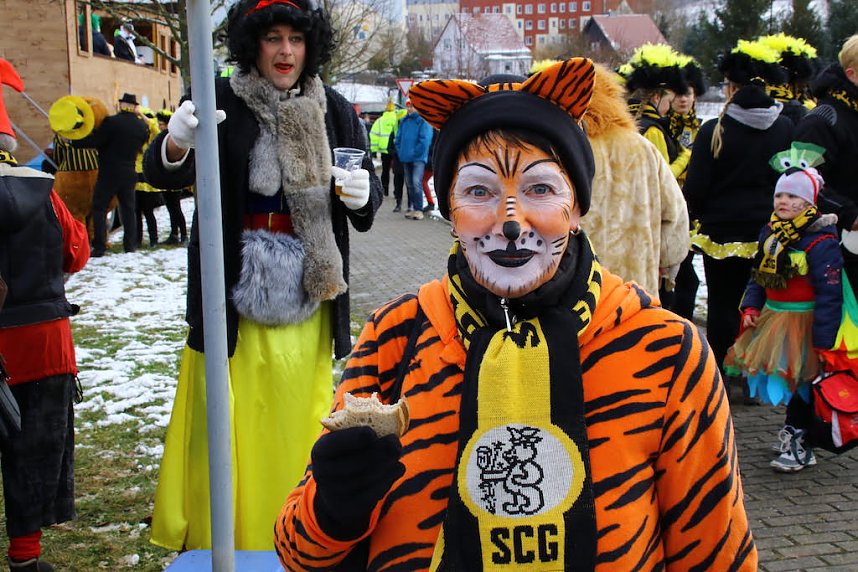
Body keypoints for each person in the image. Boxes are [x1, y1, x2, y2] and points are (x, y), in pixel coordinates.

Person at [275, 58, 756, 571]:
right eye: (479, 191)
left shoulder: (662, 349)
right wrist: (334, 509)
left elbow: (715, 553)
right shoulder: (398, 334)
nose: (510, 221)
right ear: (451, 211)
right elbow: (299, 553)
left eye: (540, 189)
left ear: (576, 209)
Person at [143, 0, 382, 551]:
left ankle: (299, 529)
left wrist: (363, 195)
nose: (285, 52)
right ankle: (228, 534)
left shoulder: (336, 109)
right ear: (253, 43)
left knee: (298, 419)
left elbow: (362, 211)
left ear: (310, 46)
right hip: (231, 292)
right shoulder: (217, 99)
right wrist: (177, 139)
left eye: (295, 40)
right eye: (273, 38)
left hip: (308, 290)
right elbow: (159, 173)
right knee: (231, 419)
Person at [0, 62, 90, 571]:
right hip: (43, 344)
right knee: (33, 453)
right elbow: (76, 253)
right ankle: (26, 559)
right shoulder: (42, 191)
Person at [684, 39, 794, 388]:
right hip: (768, 233)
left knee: (721, 303)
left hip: (722, 233)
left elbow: (697, 188)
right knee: (760, 304)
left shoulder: (712, 131)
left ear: (730, 89)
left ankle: (720, 373)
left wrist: (694, 217)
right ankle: (753, 376)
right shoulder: (785, 129)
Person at [725, 149, 842, 471]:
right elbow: (758, 277)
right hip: (774, 319)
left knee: (804, 383)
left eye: (793, 196)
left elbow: (830, 294)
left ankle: (800, 439)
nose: (783, 201)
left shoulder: (821, 241)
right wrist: (751, 306)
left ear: (809, 203)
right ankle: (794, 431)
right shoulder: (771, 234)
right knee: (790, 381)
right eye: (780, 195)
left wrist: (824, 339)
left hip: (806, 323)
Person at [576, 61, 690, 296]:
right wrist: (667, 262)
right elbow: (675, 213)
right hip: (634, 289)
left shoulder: (562, 148)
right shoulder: (642, 147)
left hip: (576, 287)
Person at [794, 34, 858, 287]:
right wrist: (850, 215)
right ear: (852, 74)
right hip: (838, 248)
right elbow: (801, 183)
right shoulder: (822, 119)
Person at [74, 92, 149, 256]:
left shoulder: (111, 122)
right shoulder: (141, 126)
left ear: (122, 105)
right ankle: (130, 246)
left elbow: (97, 141)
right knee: (128, 209)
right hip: (129, 171)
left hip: (109, 171)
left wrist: (75, 141)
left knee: (99, 207)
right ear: (134, 107)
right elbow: (144, 141)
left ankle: (99, 246)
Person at [667, 56, 707, 320]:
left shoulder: (701, 128)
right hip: (671, 204)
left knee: (686, 271)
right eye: (679, 94)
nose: (683, 99)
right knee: (681, 274)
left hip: (693, 208)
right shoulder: (663, 128)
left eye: (688, 94)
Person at [622, 43, 691, 183]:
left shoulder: (627, 123)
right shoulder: (653, 131)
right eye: (668, 99)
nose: (670, 104)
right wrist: (685, 158)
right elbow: (663, 178)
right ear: (657, 97)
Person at [394, 98, 433, 220]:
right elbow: (398, 138)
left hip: (418, 158)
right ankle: (413, 208)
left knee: (416, 183)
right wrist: (401, 151)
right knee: (410, 184)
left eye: (412, 106)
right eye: (408, 106)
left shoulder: (422, 121)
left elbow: (425, 140)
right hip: (406, 157)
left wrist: (416, 153)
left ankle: (418, 209)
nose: (410, 108)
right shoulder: (404, 121)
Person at [155, 109, 187, 245]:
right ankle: (174, 233)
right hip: (165, 179)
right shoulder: (161, 136)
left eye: (162, 124)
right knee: (170, 208)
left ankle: (184, 235)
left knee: (176, 208)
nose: (160, 126)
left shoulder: (175, 136)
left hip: (175, 179)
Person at [133, 109, 163, 248]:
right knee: (136, 212)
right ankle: (137, 239)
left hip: (146, 179)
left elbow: (155, 127)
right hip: (135, 177)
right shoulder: (136, 138)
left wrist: (142, 115)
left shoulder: (152, 137)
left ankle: (153, 239)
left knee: (148, 212)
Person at [368, 100, 399, 197]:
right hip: (395, 149)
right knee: (396, 172)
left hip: (384, 149)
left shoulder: (380, 121)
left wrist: (373, 150)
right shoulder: (397, 120)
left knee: (385, 170)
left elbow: (373, 136)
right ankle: (396, 192)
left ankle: (385, 190)